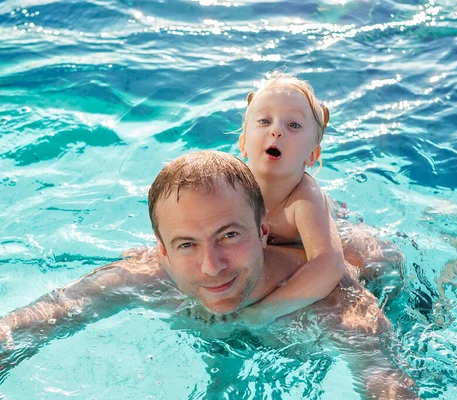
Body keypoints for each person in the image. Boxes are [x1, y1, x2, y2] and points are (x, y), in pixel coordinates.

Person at [0, 151, 419, 399]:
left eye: (229, 235)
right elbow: (34, 322)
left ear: (263, 232)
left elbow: (386, 380)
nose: (211, 266)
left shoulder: (333, 304)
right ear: (162, 252)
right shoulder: (146, 275)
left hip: (378, 269)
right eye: (186, 244)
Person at [235, 72, 345, 324]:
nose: (276, 131)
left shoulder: (304, 198)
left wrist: (265, 311)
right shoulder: (232, 186)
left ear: (311, 156)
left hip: (335, 231)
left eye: (293, 125)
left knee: (375, 263)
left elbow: (328, 264)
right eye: (264, 121)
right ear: (243, 144)